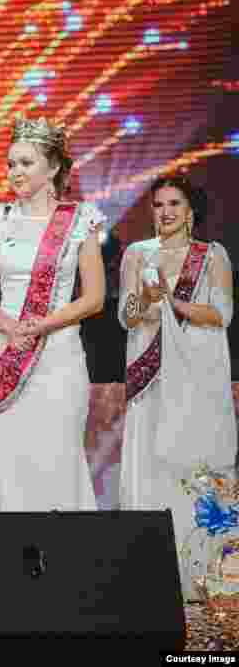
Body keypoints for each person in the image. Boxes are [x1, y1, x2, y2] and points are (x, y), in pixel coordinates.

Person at [0, 115, 104, 512]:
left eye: (26, 163)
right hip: (8, 349)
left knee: (59, 456)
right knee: (12, 458)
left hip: (59, 353)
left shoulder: (80, 220)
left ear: (54, 166)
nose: (16, 171)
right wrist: (13, 328)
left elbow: (94, 298)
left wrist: (43, 324)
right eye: (11, 163)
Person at [118, 175, 236, 599]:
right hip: (150, 372)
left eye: (174, 204)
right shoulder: (137, 254)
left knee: (195, 465)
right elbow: (127, 315)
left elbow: (221, 314)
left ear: (190, 211)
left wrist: (172, 301)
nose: (165, 212)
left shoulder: (212, 255)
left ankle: (204, 576)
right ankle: (151, 577)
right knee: (152, 461)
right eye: (158, 204)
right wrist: (147, 301)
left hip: (196, 372)